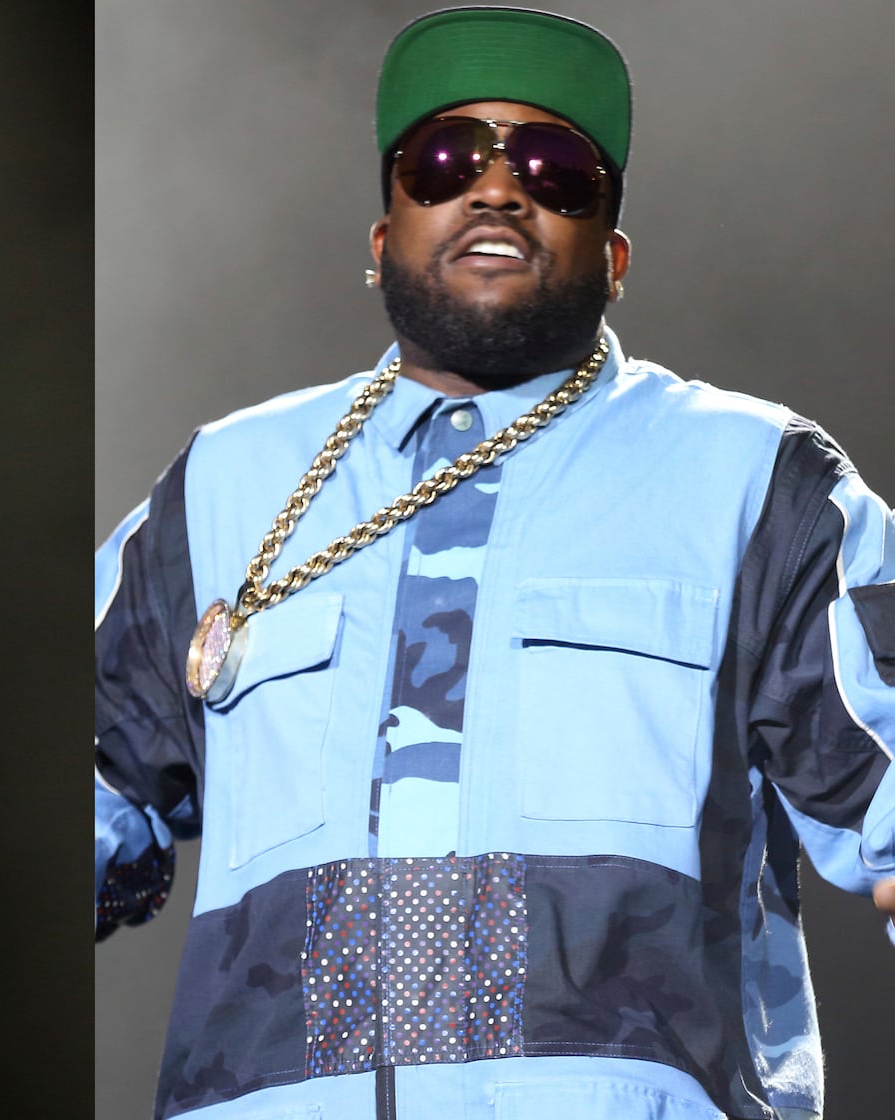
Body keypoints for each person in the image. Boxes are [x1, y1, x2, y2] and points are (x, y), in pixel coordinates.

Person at [94, 6, 893, 1119]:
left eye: (556, 169)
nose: (498, 188)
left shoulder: (757, 481)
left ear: (613, 258)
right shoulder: (224, 485)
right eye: (442, 159)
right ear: (379, 240)